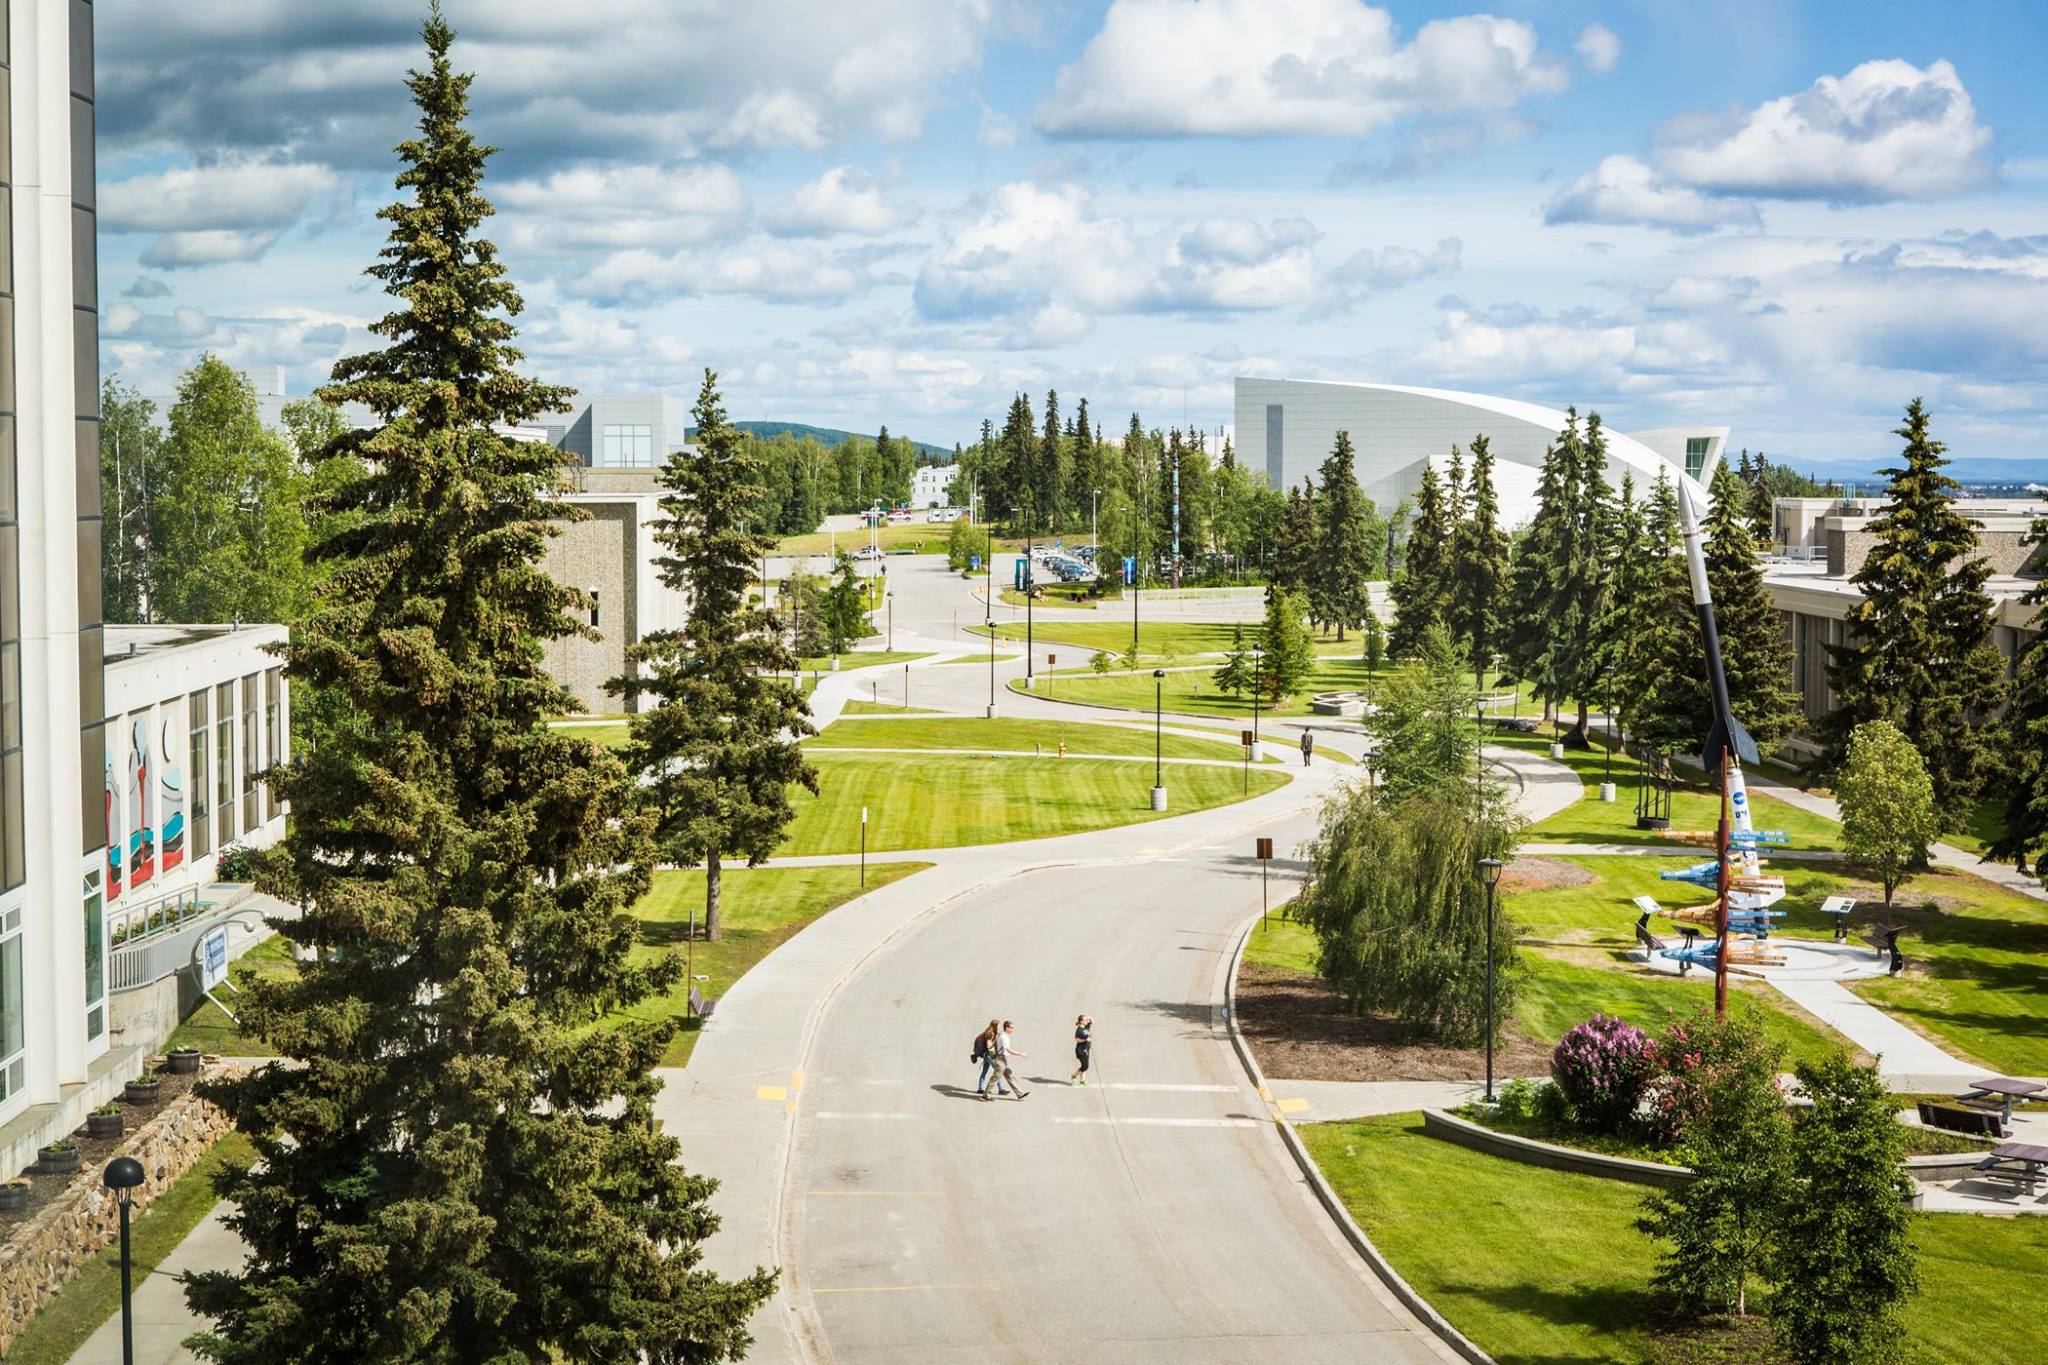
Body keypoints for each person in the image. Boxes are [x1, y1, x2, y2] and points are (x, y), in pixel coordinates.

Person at [982, 1020, 1028, 1101]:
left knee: (1010, 1076)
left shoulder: (1004, 1036)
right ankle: (985, 1095)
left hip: (1003, 1059)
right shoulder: (1003, 1037)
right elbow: (1008, 1049)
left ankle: (1020, 1094)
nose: (1012, 1029)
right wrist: (1020, 1054)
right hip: (1001, 1060)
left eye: (1013, 1027)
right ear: (1006, 1028)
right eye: (1011, 1027)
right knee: (995, 1077)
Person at [973, 1018, 1008, 1097]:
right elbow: (989, 1046)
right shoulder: (990, 1033)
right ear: (995, 1025)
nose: (999, 1027)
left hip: (986, 1055)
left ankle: (980, 1088)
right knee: (998, 1071)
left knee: (984, 1071)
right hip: (989, 1055)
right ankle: (1001, 1089)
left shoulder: (990, 1031)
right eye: (998, 1025)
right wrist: (995, 1039)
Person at [1070, 1015, 1092, 1085]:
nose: (1087, 1021)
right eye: (1085, 1020)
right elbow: (1077, 1039)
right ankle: (1074, 1076)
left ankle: (1082, 1080)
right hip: (1081, 1051)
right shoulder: (1079, 1030)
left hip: (1086, 1050)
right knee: (1085, 1066)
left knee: (1083, 1065)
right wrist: (1085, 1039)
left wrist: (1089, 1018)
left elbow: (1092, 1022)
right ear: (1081, 1022)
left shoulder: (1085, 1027)